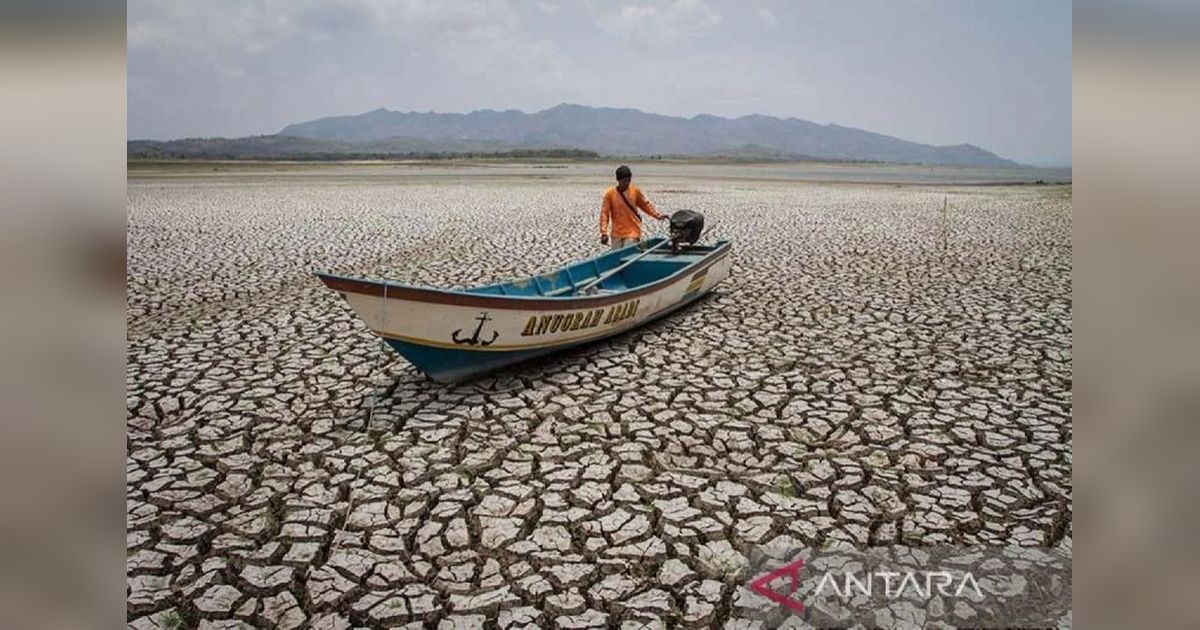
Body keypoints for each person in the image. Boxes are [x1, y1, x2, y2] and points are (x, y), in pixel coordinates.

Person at [600, 165, 666, 249]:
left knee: (628, 252)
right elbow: (605, 214)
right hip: (617, 232)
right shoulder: (610, 194)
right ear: (618, 180)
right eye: (624, 181)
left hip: (632, 231)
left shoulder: (635, 191)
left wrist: (657, 215)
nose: (627, 183)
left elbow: (645, 205)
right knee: (616, 255)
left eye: (629, 180)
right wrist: (604, 232)